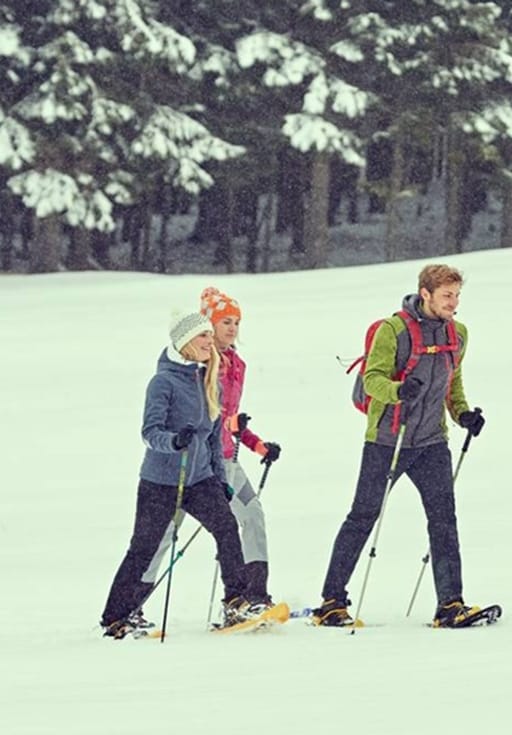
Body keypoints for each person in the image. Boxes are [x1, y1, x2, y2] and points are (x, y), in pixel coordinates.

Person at [313, 264, 491, 628]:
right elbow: (373, 378)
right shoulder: (393, 331)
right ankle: (331, 601)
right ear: (425, 294)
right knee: (363, 516)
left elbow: (451, 384)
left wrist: (463, 415)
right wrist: (398, 391)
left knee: (444, 521)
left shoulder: (458, 334)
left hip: (431, 442)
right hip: (386, 439)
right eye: (447, 296)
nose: (454, 303)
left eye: (457, 296)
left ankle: (450, 604)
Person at [100, 312, 258, 639]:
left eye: (208, 337)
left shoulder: (208, 378)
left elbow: (213, 440)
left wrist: (220, 480)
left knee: (227, 527)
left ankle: (236, 601)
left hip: (199, 479)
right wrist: (174, 442)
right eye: (202, 337)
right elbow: (150, 432)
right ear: (185, 342)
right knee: (143, 547)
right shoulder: (162, 382)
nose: (209, 342)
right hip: (160, 481)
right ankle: (116, 616)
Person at [138, 288, 283, 617]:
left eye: (236, 322)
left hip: (225, 461)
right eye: (223, 322)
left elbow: (225, 420)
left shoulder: (236, 365)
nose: (232, 329)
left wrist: (257, 444)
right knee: (164, 534)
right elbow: (202, 420)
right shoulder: (199, 365)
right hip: (191, 465)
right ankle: (134, 603)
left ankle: (253, 596)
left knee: (250, 517)